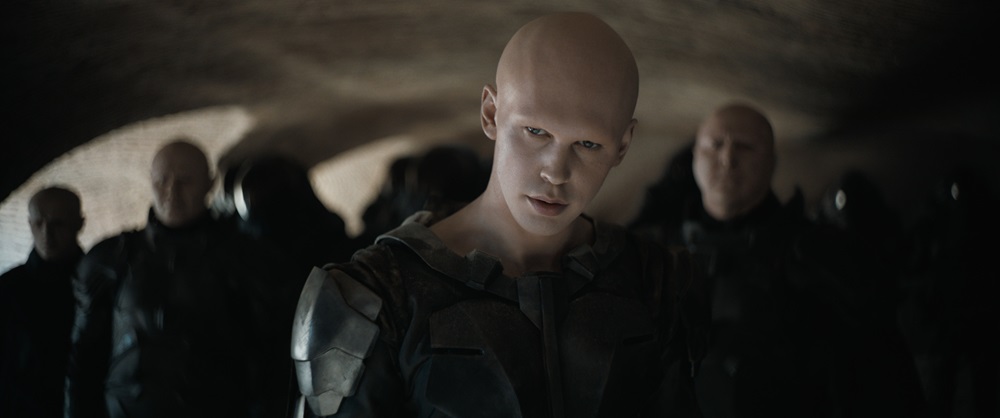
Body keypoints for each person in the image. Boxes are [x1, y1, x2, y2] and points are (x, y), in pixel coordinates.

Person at [291, 12, 705, 418]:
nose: (556, 172)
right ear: (491, 113)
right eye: (536, 131)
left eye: (587, 144)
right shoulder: (375, 297)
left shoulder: (656, 282)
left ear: (623, 145)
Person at [673, 102, 926, 417]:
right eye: (714, 145)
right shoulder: (660, 253)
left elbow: (881, 370)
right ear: (695, 156)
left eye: (745, 146)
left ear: (772, 161)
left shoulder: (818, 255)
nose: (728, 158)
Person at [65, 139, 288, 418]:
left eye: (185, 180)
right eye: (162, 181)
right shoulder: (111, 259)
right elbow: (83, 362)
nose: (172, 191)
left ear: (209, 184)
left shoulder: (247, 258)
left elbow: (273, 362)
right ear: (150, 181)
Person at [0, 186, 85, 418]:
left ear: (79, 224)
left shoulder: (98, 285)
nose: (47, 233)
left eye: (58, 224)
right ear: (30, 224)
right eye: (39, 223)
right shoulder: (7, 289)